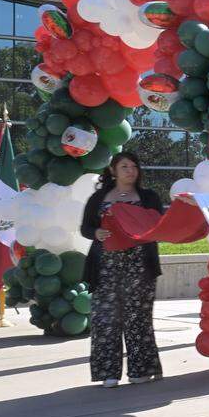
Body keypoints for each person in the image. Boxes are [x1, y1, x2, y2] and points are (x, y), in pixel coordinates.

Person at [81, 152, 164, 388]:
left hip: (140, 267)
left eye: (134, 166)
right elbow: (86, 228)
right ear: (113, 170)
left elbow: (160, 224)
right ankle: (108, 372)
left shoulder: (149, 197)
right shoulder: (98, 198)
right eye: (124, 166)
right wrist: (95, 233)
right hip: (106, 267)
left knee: (138, 318)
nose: (130, 170)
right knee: (105, 319)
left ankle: (142, 369)